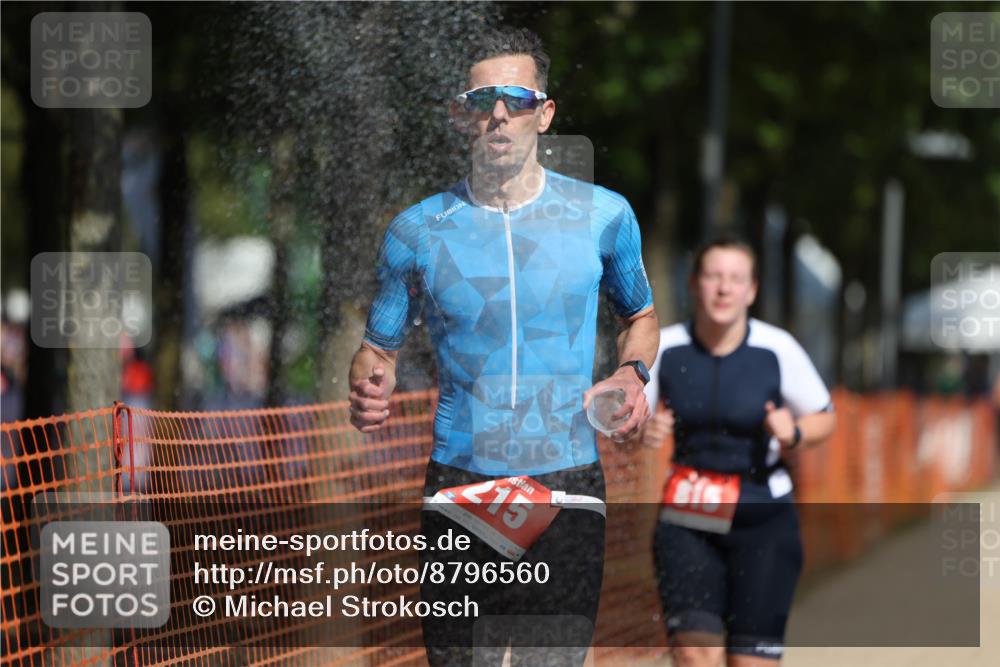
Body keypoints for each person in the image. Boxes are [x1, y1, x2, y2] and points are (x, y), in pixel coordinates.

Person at [348, 27, 660, 666]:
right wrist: (368, 374)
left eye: (516, 99)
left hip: (567, 477)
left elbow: (643, 317)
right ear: (462, 113)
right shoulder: (415, 230)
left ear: (543, 113)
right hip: (461, 479)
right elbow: (378, 347)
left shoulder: (604, 215)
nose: (498, 113)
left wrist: (633, 372)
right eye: (482, 98)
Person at [642, 238, 836, 667]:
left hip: (763, 520)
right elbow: (628, 417)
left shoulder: (776, 348)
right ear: (695, 284)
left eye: (736, 279)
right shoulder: (665, 347)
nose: (723, 289)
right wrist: (644, 428)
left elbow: (826, 416)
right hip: (689, 519)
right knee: (695, 656)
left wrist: (796, 432)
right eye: (713, 277)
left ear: (751, 290)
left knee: (750, 662)